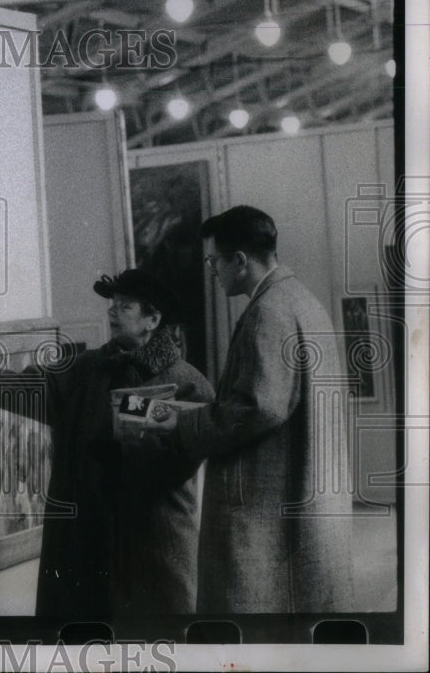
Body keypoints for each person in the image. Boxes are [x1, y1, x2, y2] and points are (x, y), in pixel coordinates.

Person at [0, 269, 214, 618]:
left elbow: (177, 456)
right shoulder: (88, 368)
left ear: (152, 318)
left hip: (150, 545)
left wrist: (121, 427)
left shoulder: (189, 385)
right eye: (112, 304)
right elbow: (38, 390)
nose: (111, 312)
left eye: (125, 307)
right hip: (82, 540)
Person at [136, 205, 354, 613]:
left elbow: (259, 407)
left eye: (213, 260)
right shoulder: (301, 300)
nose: (212, 270)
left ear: (239, 261)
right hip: (307, 495)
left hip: (266, 505)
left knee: (255, 624)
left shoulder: (267, 312)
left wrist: (180, 422)